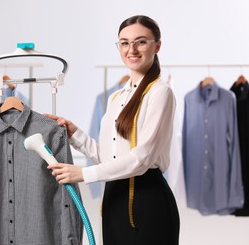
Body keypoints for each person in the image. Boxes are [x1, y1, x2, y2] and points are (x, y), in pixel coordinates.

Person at [45, 15, 180, 244]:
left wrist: (84, 174)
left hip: (147, 202)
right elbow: (109, 158)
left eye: (141, 41)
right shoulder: (116, 97)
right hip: (114, 201)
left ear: (157, 45)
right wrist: (75, 134)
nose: (132, 49)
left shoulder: (160, 92)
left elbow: (142, 158)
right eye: (125, 43)